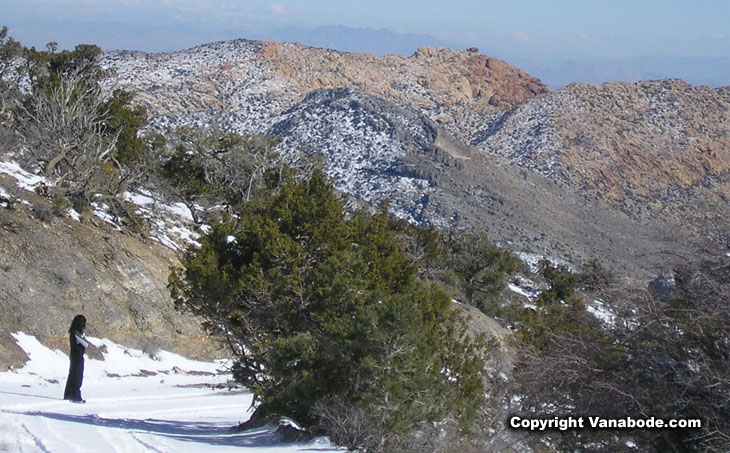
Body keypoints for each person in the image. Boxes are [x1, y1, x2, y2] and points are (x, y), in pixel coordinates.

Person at [63, 314, 90, 403]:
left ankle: (68, 394)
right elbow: (86, 344)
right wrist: (83, 336)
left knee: (72, 375)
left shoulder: (73, 332)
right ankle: (75, 396)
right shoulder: (76, 333)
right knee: (77, 376)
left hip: (74, 356)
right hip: (78, 357)